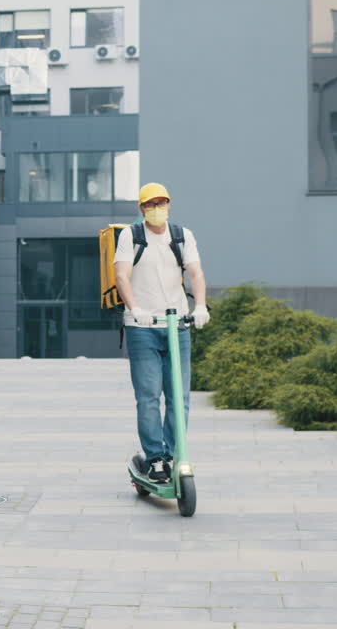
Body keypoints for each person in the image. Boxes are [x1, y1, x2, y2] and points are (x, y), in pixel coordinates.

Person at [113, 183, 209, 484]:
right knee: (149, 397)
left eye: (162, 202)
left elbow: (195, 272)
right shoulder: (131, 236)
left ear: (169, 204)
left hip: (177, 325)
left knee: (179, 398)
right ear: (142, 209)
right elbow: (121, 275)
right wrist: (135, 307)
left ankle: (172, 454)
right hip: (142, 327)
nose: (157, 208)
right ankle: (155, 459)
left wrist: (202, 306)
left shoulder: (181, 235)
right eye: (151, 204)